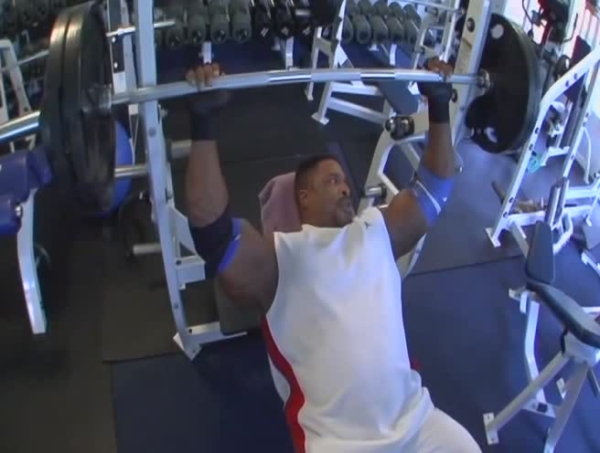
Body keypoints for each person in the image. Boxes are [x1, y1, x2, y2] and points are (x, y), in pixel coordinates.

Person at [185, 60, 481, 453]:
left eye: (344, 180)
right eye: (332, 181)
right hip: (340, 442)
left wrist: (440, 105)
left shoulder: (377, 230)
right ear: (303, 197)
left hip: (416, 421)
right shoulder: (283, 258)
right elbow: (213, 232)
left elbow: (437, 185)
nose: (345, 188)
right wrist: (203, 123)